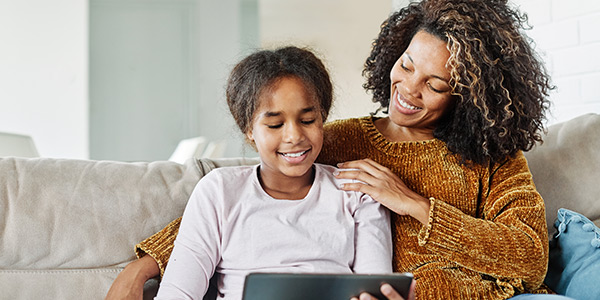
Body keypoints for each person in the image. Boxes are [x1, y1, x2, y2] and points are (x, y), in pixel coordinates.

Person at [106, 0, 571, 299]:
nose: (407, 89)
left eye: (434, 84)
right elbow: (250, 193)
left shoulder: (495, 156)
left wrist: (414, 204)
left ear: (469, 95)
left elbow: (530, 258)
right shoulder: (341, 139)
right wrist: (147, 263)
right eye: (406, 65)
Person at [151, 46, 393, 300]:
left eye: (308, 120)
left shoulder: (357, 192)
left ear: (323, 118)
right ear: (249, 130)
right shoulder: (219, 191)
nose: (294, 136)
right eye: (275, 124)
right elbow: (177, 295)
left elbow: (376, 289)